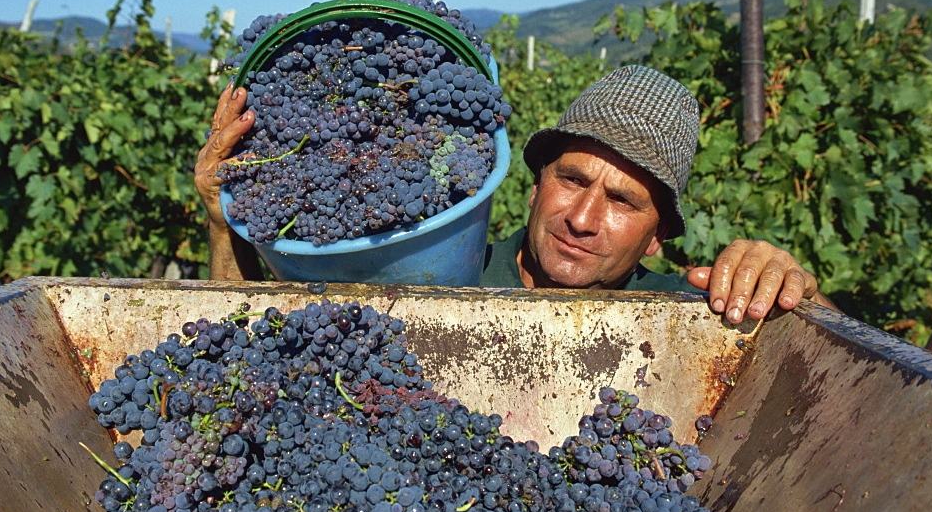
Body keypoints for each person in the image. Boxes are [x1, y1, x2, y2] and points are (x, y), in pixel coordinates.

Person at [194, 65, 837, 322]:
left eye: (622, 201)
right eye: (573, 179)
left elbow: (840, 364)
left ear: (660, 233)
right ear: (534, 186)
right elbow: (253, 340)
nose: (583, 218)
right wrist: (224, 224)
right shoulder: (437, 276)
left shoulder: (687, 315)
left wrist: (794, 287)